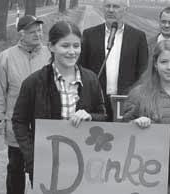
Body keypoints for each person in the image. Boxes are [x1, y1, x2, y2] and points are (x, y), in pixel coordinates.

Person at [12, 21, 107, 184]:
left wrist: (90, 117)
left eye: (76, 46)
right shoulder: (34, 82)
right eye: (65, 46)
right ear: (51, 46)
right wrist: (31, 157)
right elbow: (19, 121)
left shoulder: (90, 79)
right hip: (47, 163)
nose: (72, 52)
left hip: (84, 163)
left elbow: (103, 115)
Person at [122, 40, 170, 194]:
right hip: (148, 174)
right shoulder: (139, 94)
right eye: (164, 62)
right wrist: (134, 123)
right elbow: (122, 132)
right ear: (155, 64)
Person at [0, 15, 50, 194]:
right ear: (21, 34)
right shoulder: (6, 57)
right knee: (15, 166)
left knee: (42, 167)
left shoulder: (49, 55)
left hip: (43, 123)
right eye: (32, 32)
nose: (37, 34)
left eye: (39, 30)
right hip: (17, 122)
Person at [79, 0, 148, 121]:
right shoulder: (89, 34)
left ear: (125, 10)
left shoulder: (138, 37)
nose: (111, 10)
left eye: (116, 7)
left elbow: (142, 72)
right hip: (96, 101)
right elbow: (82, 67)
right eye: (107, 6)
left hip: (126, 101)